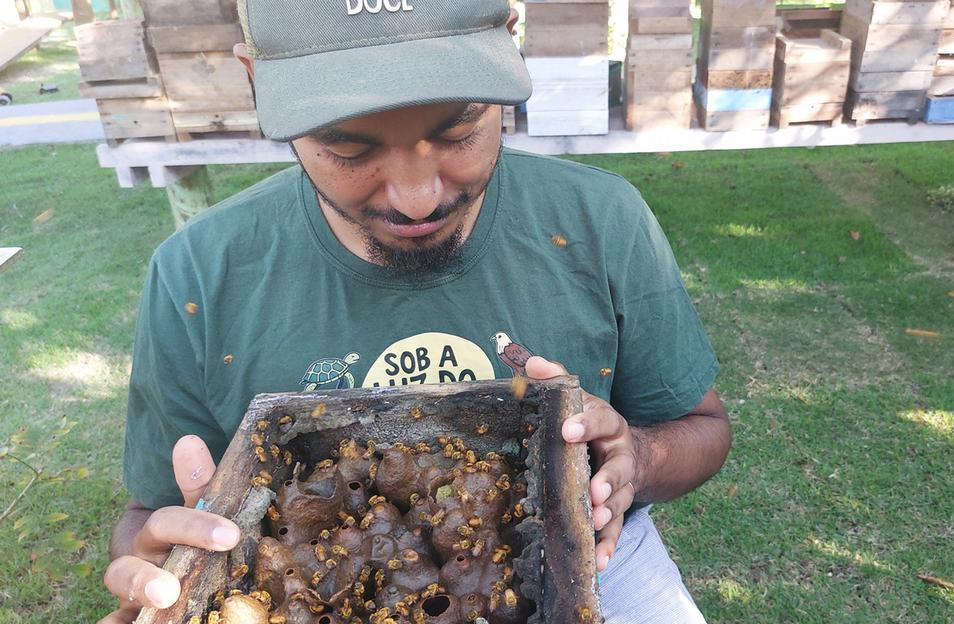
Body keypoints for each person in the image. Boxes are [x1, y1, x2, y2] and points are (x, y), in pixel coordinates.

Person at [98, 1, 731, 623]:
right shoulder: (197, 275)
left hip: (596, 554)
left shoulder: (602, 221)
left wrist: (635, 458)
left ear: (507, 45)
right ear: (258, 80)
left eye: (459, 130)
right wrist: (156, 564)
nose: (416, 198)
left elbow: (701, 428)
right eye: (347, 146)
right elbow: (145, 518)